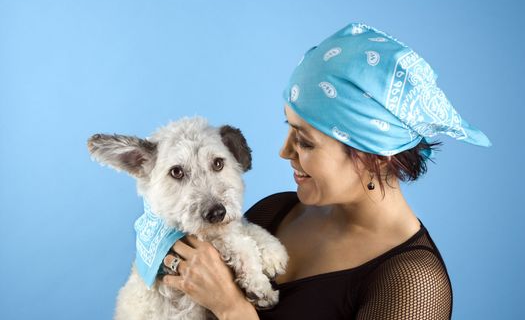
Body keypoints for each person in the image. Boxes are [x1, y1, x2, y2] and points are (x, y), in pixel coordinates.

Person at [160, 23, 491, 319]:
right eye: (288, 129)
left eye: (304, 141)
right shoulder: (276, 210)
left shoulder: (413, 284)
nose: (283, 151)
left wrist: (232, 309)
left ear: (372, 155)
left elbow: (226, 306)